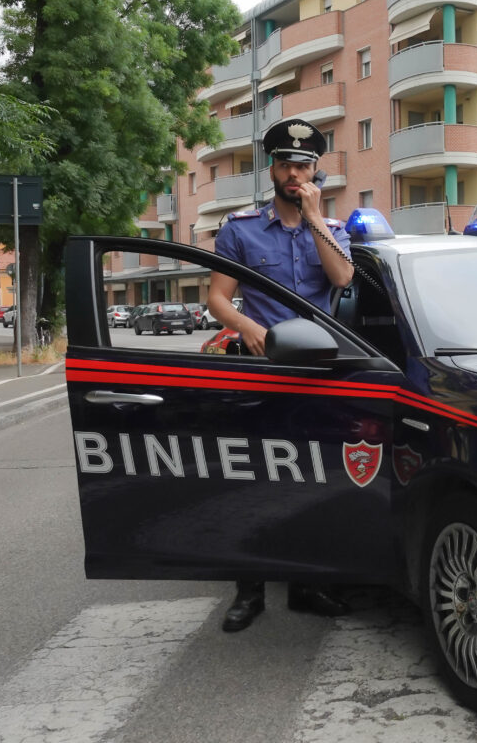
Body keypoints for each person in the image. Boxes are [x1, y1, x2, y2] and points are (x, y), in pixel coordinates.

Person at [208, 117, 355, 631]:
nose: (295, 173)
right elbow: (217, 298)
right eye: (286, 164)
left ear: (317, 172)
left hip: (316, 371)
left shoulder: (334, 231)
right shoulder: (240, 228)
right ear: (271, 169)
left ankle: (307, 585)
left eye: (305, 166)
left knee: (313, 480)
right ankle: (249, 592)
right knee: (252, 481)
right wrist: (247, 325)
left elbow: (341, 278)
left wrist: (315, 217)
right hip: (259, 370)